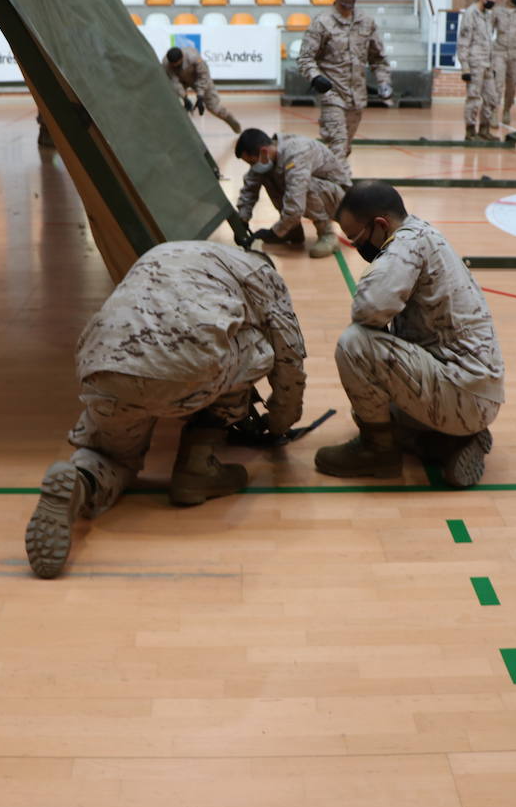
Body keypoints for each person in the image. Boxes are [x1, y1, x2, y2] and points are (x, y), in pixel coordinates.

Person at [26, 241, 306, 579]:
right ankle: (197, 465)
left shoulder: (167, 251)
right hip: (187, 368)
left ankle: (80, 481)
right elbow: (290, 359)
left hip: (102, 367)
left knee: (113, 457)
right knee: (261, 349)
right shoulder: (263, 275)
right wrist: (279, 423)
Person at [314, 181, 504, 488]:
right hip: (473, 388)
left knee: (355, 345)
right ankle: (450, 442)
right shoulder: (422, 232)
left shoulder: (405, 246)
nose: (355, 246)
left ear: (380, 224)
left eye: (356, 238)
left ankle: (380, 454)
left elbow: (368, 309)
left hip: (464, 390)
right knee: (375, 407)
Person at [298, 0, 393, 160]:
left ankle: (326, 184)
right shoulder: (322, 23)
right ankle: (340, 189)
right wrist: (316, 77)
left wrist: (383, 82)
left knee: (344, 148)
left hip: (357, 98)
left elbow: (378, 58)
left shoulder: (366, 22)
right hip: (333, 95)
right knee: (338, 146)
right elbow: (305, 58)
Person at [234, 127, 350, 259]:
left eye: (251, 162)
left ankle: (327, 234)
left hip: (338, 199)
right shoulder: (266, 157)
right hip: (321, 192)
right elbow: (250, 187)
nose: (252, 166)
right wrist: (242, 220)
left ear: (264, 151)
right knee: (267, 176)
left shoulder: (297, 152)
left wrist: (274, 232)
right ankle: (292, 231)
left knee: (303, 186)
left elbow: (295, 204)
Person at [163, 46, 242, 134]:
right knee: (170, 98)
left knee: (214, 107)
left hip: (199, 78)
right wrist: (184, 98)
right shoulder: (166, 63)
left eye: (178, 64)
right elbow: (175, 82)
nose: (175, 67)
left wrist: (200, 96)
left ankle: (229, 119)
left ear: (182, 58)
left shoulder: (193, 57)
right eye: (173, 66)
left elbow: (203, 76)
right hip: (182, 81)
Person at [458, 0, 499, 141]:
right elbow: (463, 42)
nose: (493, 1)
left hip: (488, 64)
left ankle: (484, 129)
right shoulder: (470, 13)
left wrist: (493, 65)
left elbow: (489, 41)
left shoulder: (488, 14)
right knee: (474, 98)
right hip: (475, 63)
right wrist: (465, 68)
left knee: (491, 98)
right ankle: (470, 131)